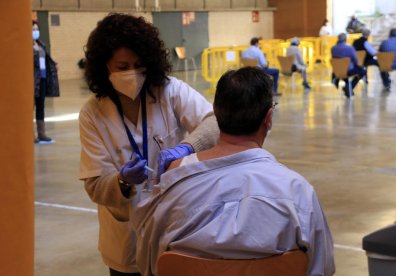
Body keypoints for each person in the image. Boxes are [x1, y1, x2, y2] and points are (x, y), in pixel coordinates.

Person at [132, 67, 335, 276]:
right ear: (269, 118)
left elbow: (148, 263)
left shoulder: (174, 187)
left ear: (216, 115)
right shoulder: (298, 192)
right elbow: (322, 268)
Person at [78, 13, 219, 276]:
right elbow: (95, 185)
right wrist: (121, 181)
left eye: (138, 65)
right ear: (104, 65)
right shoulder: (92, 114)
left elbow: (214, 122)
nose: (131, 73)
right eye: (122, 67)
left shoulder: (169, 91)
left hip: (174, 227)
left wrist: (187, 147)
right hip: (124, 236)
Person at [32, 20, 59, 144]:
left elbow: (47, 60)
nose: (35, 31)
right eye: (33, 29)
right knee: (29, 108)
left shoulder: (41, 44)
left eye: (37, 29)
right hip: (32, 81)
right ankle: (30, 135)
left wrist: (54, 65)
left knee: (40, 107)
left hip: (42, 79)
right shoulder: (26, 46)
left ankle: (42, 134)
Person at [331, 33, 366, 97]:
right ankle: (349, 87)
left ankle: (348, 88)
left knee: (346, 72)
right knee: (362, 71)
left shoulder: (333, 48)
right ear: (346, 39)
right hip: (348, 71)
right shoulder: (350, 48)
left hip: (337, 71)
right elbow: (355, 60)